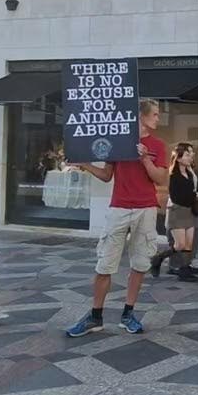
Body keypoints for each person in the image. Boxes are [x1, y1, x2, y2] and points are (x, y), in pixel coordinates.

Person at [66, 99, 168, 337]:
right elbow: (106, 175)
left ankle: (128, 314)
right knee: (104, 264)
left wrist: (144, 158)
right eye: (154, 114)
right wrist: (84, 163)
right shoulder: (118, 143)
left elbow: (161, 179)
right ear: (141, 116)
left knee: (140, 264)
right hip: (118, 208)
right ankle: (96, 316)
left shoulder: (158, 145)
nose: (158, 118)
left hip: (146, 209)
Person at [149, 142, 198, 282]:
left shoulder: (190, 172)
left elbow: (193, 188)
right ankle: (158, 258)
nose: (191, 156)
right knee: (179, 245)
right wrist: (196, 196)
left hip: (188, 211)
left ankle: (184, 269)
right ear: (179, 158)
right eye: (187, 154)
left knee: (188, 244)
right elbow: (178, 197)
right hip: (178, 211)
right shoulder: (173, 174)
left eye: (191, 153)